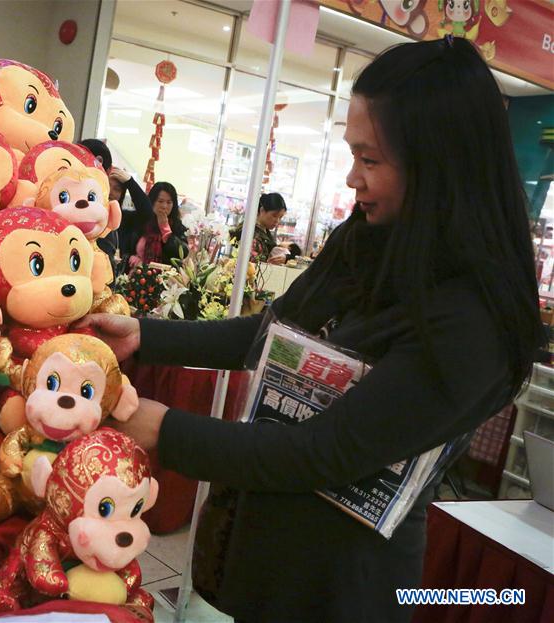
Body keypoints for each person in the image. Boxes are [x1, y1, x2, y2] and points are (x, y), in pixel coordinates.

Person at [76, 38, 542, 623]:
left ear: (440, 163)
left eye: (371, 161)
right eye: (353, 155)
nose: (353, 179)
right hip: (259, 539)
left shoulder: (474, 320)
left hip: (343, 581)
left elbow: (326, 452)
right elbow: (274, 335)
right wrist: (145, 335)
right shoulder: (367, 240)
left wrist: (165, 429)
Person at [79, 138, 154, 273]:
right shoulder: (82, 209)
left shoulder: (124, 218)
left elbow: (147, 213)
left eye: (117, 189)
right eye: (109, 185)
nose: (111, 192)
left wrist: (130, 182)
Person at [126, 181, 188, 268]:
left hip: (165, 278)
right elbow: (126, 248)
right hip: (138, 275)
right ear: (152, 201)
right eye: (160, 201)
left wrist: (165, 229)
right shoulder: (141, 221)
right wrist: (132, 258)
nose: (164, 206)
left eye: (169, 202)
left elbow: (183, 252)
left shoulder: (177, 226)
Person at [230, 192, 287, 264]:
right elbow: (251, 265)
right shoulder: (250, 233)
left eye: (280, 217)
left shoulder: (263, 231)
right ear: (262, 210)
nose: (277, 221)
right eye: (274, 215)